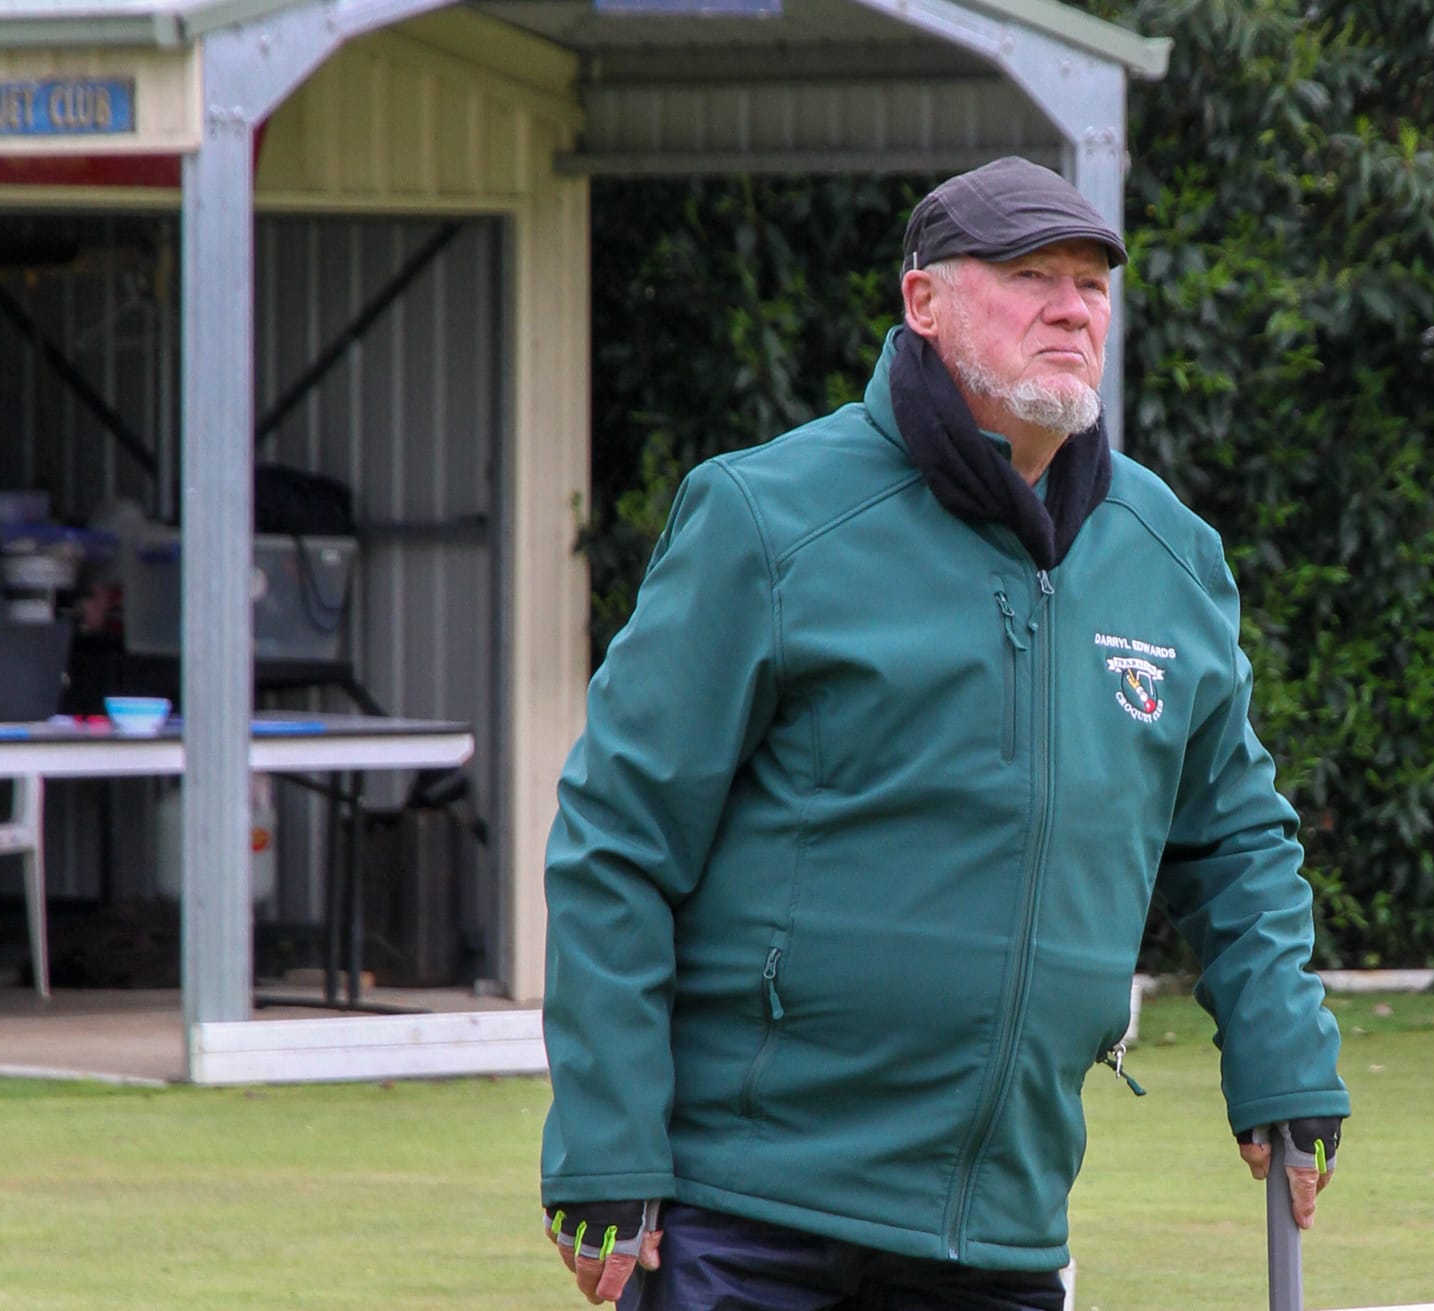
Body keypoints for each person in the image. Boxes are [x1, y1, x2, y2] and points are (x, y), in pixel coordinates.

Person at [540, 155, 1349, 1310]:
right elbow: (617, 836)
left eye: (1091, 283)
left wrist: (1282, 1055)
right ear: (924, 304)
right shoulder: (765, 517)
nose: (1071, 307)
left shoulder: (1169, 556)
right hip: (747, 1211)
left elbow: (1233, 842)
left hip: (1003, 1224)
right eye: (1030, 276)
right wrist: (605, 1146)